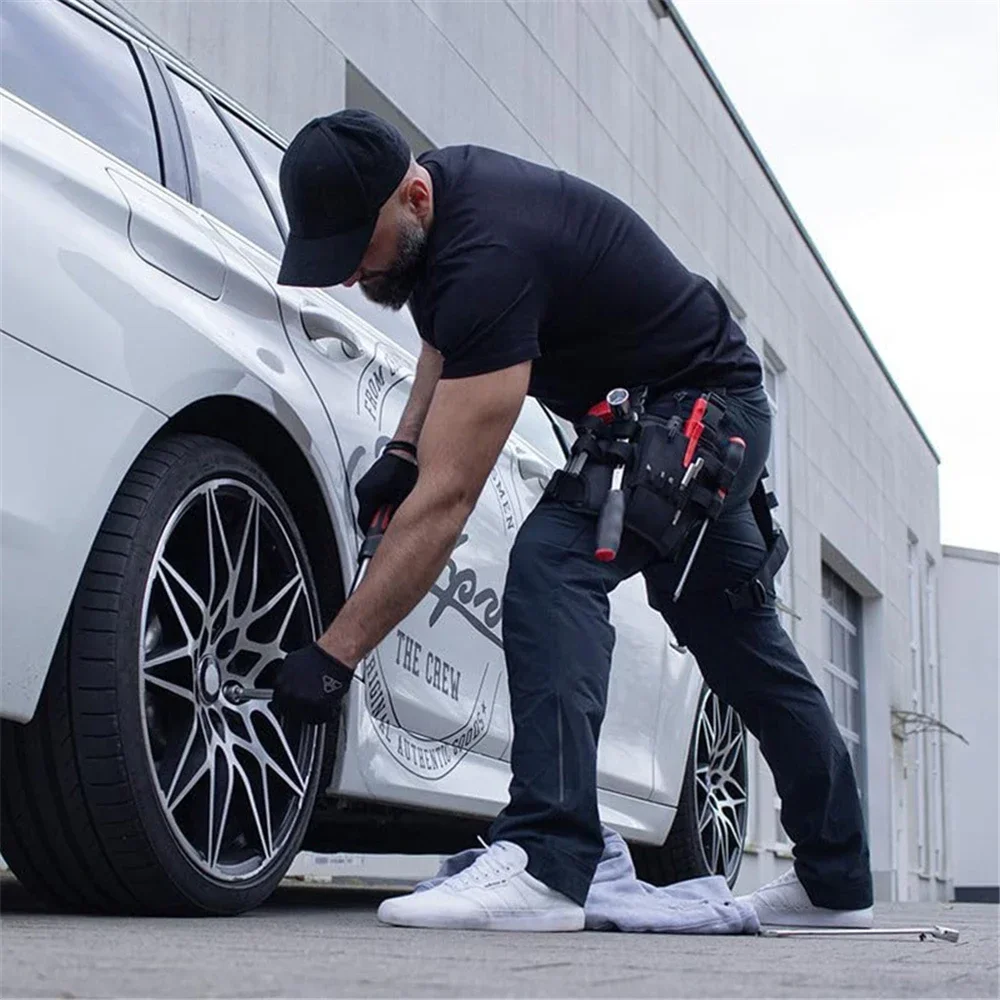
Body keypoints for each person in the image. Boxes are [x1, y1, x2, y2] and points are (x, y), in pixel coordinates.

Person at [270, 109, 873, 932]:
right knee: (735, 637)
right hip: (697, 408)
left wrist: (335, 656)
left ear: (413, 196)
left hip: (701, 411)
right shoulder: (437, 215)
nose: (347, 278)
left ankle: (548, 862)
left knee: (556, 561)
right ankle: (836, 883)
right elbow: (445, 341)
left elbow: (448, 505)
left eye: (356, 251)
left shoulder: (488, 252)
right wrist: (405, 446)